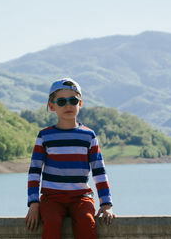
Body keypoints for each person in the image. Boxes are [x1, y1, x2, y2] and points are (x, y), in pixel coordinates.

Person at [25, 77, 115, 239]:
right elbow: (34, 172)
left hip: (81, 197)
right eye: (61, 102)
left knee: (86, 222)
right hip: (51, 198)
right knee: (51, 223)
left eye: (73, 100)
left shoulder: (88, 135)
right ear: (52, 106)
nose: (68, 105)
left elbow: (99, 172)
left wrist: (106, 204)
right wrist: (33, 203)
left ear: (79, 104)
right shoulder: (45, 136)